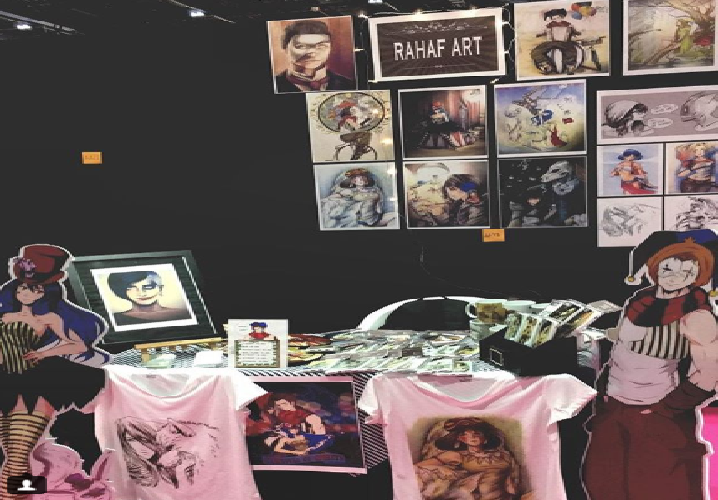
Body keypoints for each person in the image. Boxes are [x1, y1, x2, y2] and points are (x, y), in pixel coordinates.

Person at [583, 233, 718, 500]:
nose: (675, 277)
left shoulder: (697, 315)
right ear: (655, 267)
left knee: (660, 487)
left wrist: (665, 410)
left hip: (658, 412)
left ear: (698, 276)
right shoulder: (639, 301)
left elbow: (709, 372)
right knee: (604, 483)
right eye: (668, 268)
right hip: (614, 407)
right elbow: (625, 342)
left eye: (687, 272)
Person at [0, 244, 109, 499]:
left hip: (37, 383)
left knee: (18, 453)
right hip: (5, 380)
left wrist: (43, 354)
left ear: (45, 292)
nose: (26, 292)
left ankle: (17, 495)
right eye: (22, 288)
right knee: (14, 452)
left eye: (34, 289)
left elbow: (78, 344)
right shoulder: (5, 316)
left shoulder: (50, 318)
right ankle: (34, 492)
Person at [415, 418, 520, 500]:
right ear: (461, 439)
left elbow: (511, 476)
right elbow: (418, 466)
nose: (472, 437)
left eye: (476, 433)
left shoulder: (503, 455)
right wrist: (441, 469)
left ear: (485, 438)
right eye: (466, 434)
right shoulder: (456, 455)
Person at [273, 19, 355, 93]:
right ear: (285, 48)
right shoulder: (274, 84)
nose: (312, 54)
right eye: (301, 46)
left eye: (321, 46)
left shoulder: (350, 85)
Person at [106, 270, 192, 327]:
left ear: (160, 288)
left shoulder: (185, 313)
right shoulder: (113, 319)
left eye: (148, 287)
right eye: (131, 288)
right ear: (122, 291)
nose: (142, 293)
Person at [320, 168, 389, 228]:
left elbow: (369, 197)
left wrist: (352, 194)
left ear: (367, 180)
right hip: (352, 215)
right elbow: (339, 195)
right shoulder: (350, 190)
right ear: (353, 181)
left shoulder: (374, 190)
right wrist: (326, 199)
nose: (361, 180)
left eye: (363, 178)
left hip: (369, 217)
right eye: (358, 178)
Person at [532, 8, 582, 75]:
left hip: (561, 43)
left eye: (557, 18)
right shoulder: (550, 25)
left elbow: (576, 32)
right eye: (554, 18)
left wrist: (576, 33)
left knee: (571, 50)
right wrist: (539, 34)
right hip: (555, 43)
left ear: (562, 17)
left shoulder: (568, 25)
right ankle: (546, 65)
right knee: (538, 50)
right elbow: (542, 32)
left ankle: (569, 66)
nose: (556, 20)